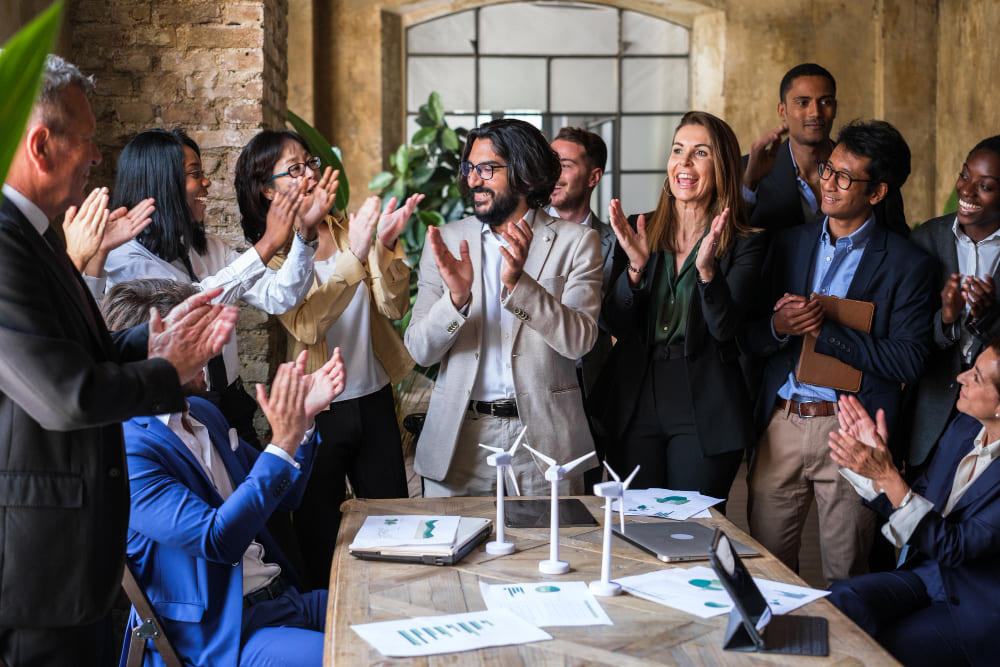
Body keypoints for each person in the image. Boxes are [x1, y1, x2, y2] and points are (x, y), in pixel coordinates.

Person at [0, 55, 237, 665]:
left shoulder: (41, 234)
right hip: (37, 570)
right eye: (87, 140)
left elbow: (90, 350)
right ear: (41, 145)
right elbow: (64, 395)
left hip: (78, 562)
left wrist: (156, 340)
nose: (98, 157)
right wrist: (168, 369)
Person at [102, 279, 344, 666]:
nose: (217, 347)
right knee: (354, 657)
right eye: (199, 336)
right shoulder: (126, 450)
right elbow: (217, 540)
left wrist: (304, 422)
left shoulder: (205, 414)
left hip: (283, 599)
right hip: (225, 634)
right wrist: (281, 442)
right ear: (154, 351)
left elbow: (286, 497)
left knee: (389, 607)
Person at [743, 119, 935, 583]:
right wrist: (778, 325)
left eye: (845, 177)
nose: (828, 183)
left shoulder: (909, 264)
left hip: (851, 429)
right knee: (766, 571)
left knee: (847, 574)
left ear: (877, 192)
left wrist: (824, 331)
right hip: (782, 423)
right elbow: (748, 337)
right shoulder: (789, 243)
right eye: (829, 170)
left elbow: (909, 360)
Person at [234, 129, 420, 589]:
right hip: (316, 412)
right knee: (319, 535)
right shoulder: (265, 261)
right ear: (267, 189)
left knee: (392, 521)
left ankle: (397, 609)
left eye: (310, 163)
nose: (310, 173)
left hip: (374, 397)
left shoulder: (347, 228)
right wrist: (357, 256)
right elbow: (306, 325)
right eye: (294, 169)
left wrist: (386, 246)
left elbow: (394, 306)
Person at [405, 118, 603, 497]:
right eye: (469, 169)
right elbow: (419, 349)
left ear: (525, 173)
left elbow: (579, 341)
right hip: (459, 441)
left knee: (548, 555)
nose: (473, 180)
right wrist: (457, 300)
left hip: (544, 444)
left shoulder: (577, 243)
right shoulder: (447, 242)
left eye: (487, 169)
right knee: (454, 554)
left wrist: (519, 285)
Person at [104, 128, 337, 449]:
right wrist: (266, 245)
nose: (206, 182)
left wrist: (305, 235)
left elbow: (280, 296)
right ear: (163, 183)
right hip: (173, 413)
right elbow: (192, 306)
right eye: (194, 173)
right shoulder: (123, 260)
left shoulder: (209, 248)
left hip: (230, 401)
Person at [591, 111, 764, 502]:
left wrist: (706, 272)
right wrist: (634, 268)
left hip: (704, 399)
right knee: (635, 523)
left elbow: (725, 330)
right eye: (677, 150)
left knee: (692, 527)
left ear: (720, 167)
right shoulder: (641, 228)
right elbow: (614, 322)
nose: (683, 163)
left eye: (699, 153)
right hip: (636, 394)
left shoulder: (744, 241)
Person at [826, 345, 1000, 666]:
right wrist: (875, 473)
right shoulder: (963, 428)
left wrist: (888, 476)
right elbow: (916, 494)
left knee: (884, 647)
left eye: (975, 377)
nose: (960, 377)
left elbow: (955, 547)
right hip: (926, 575)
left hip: (976, 611)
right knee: (838, 602)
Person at [905, 136, 1000, 471]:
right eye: (964, 176)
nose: (967, 191)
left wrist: (989, 317)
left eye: (985, 185)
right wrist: (947, 317)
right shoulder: (925, 241)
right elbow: (906, 337)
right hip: (930, 419)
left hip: (994, 422)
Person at [742, 63, 837, 230]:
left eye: (825, 102)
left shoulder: (865, 169)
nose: (815, 112)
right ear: (782, 111)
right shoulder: (747, 172)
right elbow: (723, 244)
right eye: (802, 103)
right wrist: (749, 185)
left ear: (834, 108)